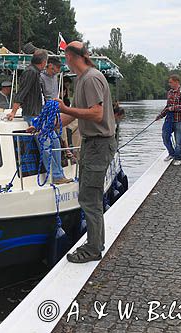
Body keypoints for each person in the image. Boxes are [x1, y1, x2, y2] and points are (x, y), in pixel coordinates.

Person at [55, 41, 117, 263]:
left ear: (70, 57)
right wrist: (50, 125)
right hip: (93, 145)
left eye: (64, 57)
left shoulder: (90, 78)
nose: (64, 62)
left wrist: (64, 108)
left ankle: (93, 249)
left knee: (89, 198)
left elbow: (96, 114)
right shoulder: (82, 79)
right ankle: (94, 243)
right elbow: (75, 115)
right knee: (88, 195)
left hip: (98, 145)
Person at [7, 49, 70, 185]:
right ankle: (57, 176)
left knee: (55, 141)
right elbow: (22, 92)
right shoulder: (31, 73)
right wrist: (13, 111)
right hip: (33, 114)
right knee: (46, 144)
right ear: (44, 62)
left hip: (40, 113)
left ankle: (59, 173)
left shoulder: (36, 72)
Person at [155, 74, 181, 166]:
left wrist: (173, 108)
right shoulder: (170, 92)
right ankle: (171, 153)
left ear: (176, 82)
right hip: (169, 120)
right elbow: (168, 107)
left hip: (179, 120)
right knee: (165, 136)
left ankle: (178, 158)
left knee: (178, 139)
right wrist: (160, 115)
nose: (169, 84)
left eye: (171, 82)